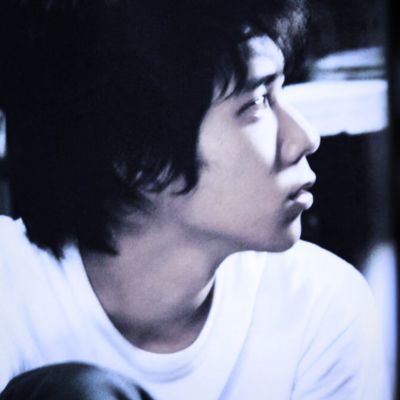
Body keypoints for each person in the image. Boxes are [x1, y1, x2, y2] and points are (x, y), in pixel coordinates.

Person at [0, 0, 390, 398]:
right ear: (135, 152)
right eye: (256, 102)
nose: (304, 138)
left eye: (281, 90)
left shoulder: (322, 309)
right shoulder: (9, 288)